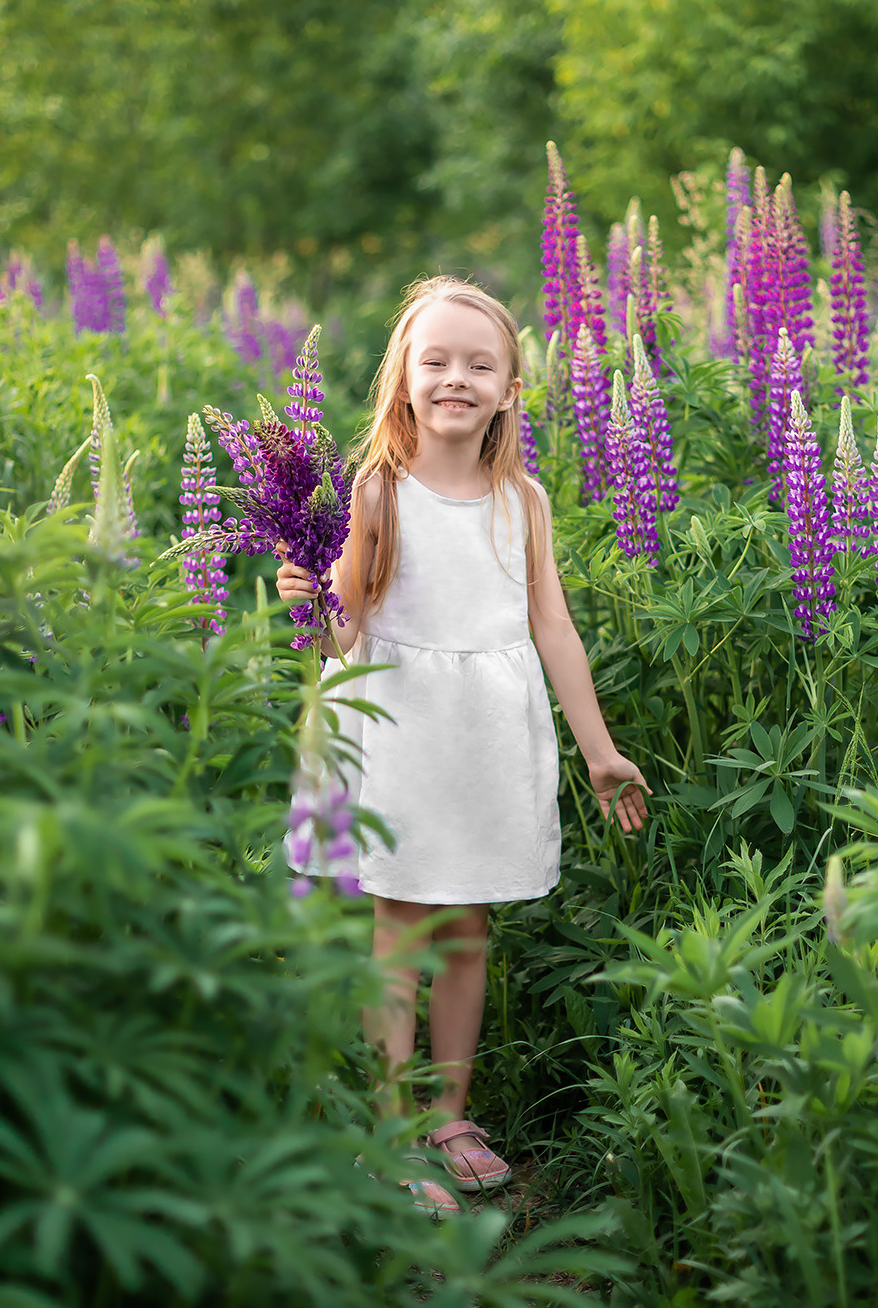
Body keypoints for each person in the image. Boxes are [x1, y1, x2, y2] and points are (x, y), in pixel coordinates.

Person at [275, 276, 651, 1218]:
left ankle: (449, 1112)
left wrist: (598, 749)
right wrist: (305, 607)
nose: (456, 378)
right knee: (400, 930)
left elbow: (553, 628)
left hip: (484, 738)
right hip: (400, 732)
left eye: (479, 364)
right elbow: (343, 631)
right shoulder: (376, 492)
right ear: (402, 379)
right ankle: (390, 1129)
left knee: (469, 929)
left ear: (511, 387)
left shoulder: (523, 500)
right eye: (435, 360)